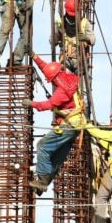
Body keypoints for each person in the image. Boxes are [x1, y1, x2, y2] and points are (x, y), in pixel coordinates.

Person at [23, 53, 85, 194]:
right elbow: (48, 68)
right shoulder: (69, 78)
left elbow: (48, 105)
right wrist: (34, 57)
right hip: (75, 127)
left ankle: (42, 180)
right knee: (56, 158)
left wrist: (31, 103)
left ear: (54, 78)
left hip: (68, 126)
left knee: (43, 147)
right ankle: (44, 182)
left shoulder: (62, 91)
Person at [50, 0, 95, 74]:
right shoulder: (60, 23)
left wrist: (86, 38)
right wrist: (56, 37)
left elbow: (93, 39)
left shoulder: (84, 22)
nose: (72, 17)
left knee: (81, 84)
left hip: (80, 60)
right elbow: (52, 41)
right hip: (66, 60)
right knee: (66, 82)